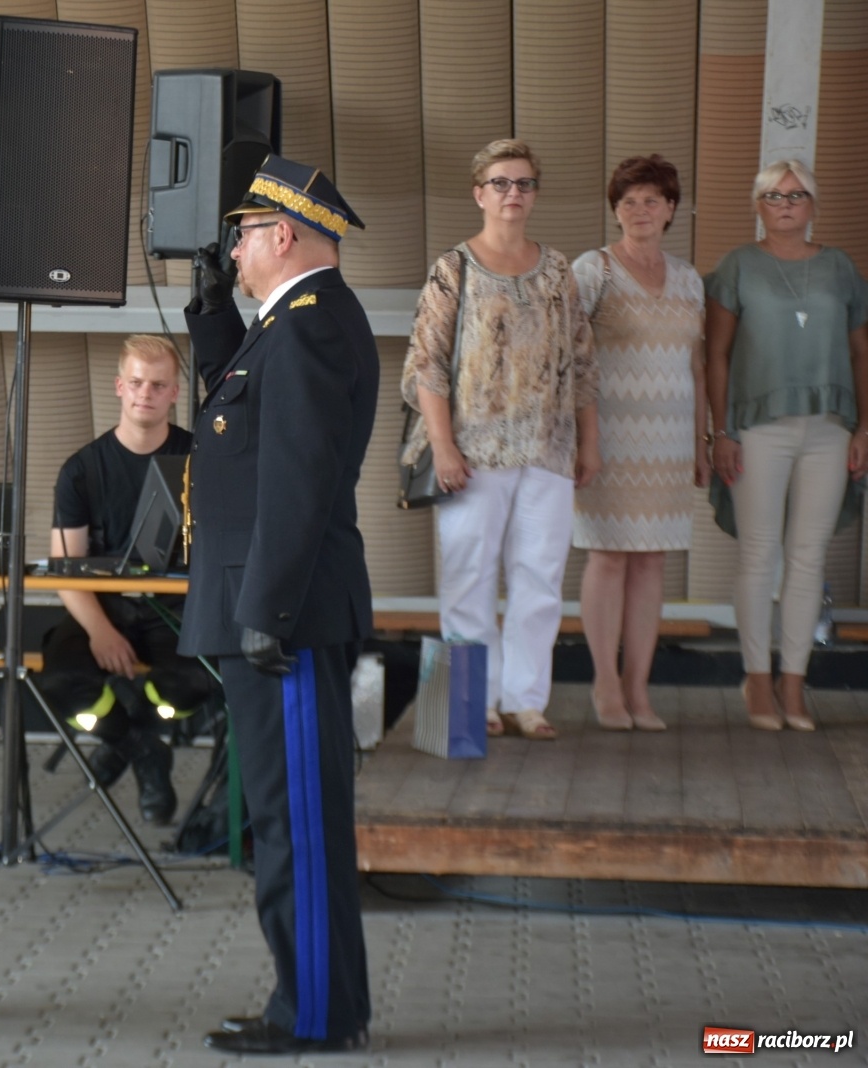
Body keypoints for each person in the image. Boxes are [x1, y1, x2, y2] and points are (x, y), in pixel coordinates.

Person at [183, 155, 378, 1055]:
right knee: (285, 816)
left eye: (243, 235)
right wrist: (211, 309)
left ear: (284, 235)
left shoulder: (309, 328)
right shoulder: (293, 323)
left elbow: (295, 481)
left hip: (282, 616)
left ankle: (313, 1015)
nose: (234, 248)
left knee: (294, 824)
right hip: (273, 607)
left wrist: (267, 606)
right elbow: (241, 420)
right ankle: (320, 1001)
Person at [400, 138, 600, 741]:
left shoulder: (560, 270)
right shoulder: (453, 268)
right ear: (479, 193)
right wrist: (443, 446)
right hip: (472, 451)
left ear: (535, 193)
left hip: (548, 446)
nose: (513, 194)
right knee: (468, 575)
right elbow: (426, 365)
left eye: (524, 183)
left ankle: (526, 701)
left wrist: (590, 443)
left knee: (540, 577)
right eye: (501, 183)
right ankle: (469, 704)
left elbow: (584, 364)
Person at [705, 159, 868, 732]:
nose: (786, 204)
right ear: (758, 205)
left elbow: (860, 350)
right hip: (758, 428)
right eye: (774, 196)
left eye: (797, 195)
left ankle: (794, 684)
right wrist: (720, 431)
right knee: (759, 554)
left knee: (808, 557)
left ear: (813, 205)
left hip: (829, 428)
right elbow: (716, 355)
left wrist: (864, 427)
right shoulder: (738, 266)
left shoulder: (839, 267)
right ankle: (755, 680)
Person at [41, 333, 212, 825]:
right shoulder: (81, 471)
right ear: (118, 386)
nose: (146, 393)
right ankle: (141, 748)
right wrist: (100, 631)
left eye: (159, 385)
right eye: (136, 382)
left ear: (175, 393)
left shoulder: (201, 462)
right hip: (103, 610)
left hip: (175, 614)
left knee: (195, 681)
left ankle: (134, 731)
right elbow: (65, 571)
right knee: (61, 679)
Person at [572, 155, 708, 732]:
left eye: (651, 200)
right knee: (607, 556)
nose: (639, 210)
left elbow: (696, 365)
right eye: (628, 201)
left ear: (671, 209)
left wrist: (702, 444)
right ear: (616, 210)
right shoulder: (593, 269)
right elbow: (574, 361)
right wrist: (586, 440)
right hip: (609, 437)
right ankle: (605, 684)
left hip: (672, 441)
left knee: (651, 559)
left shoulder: (690, 278)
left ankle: (639, 689)